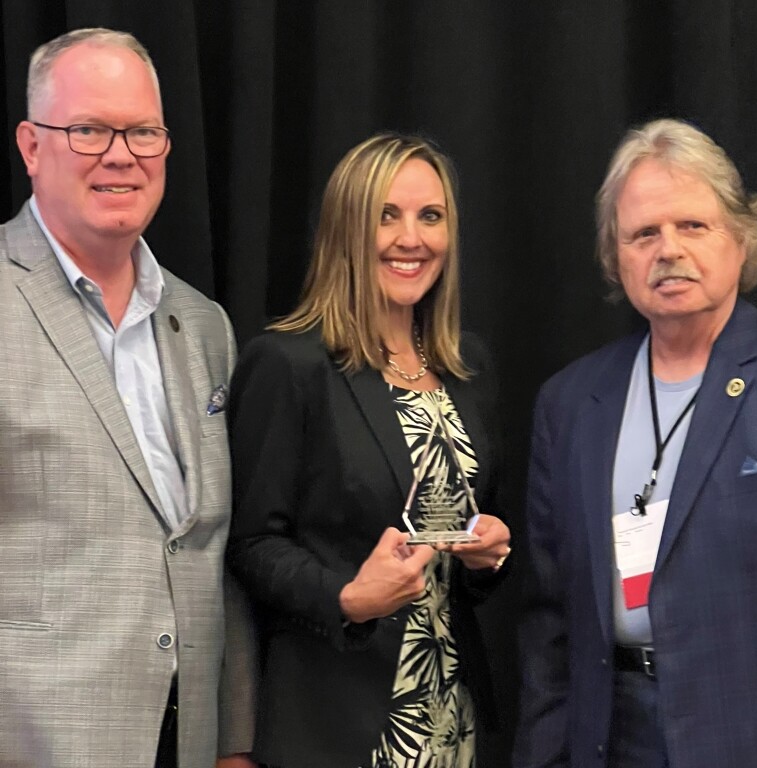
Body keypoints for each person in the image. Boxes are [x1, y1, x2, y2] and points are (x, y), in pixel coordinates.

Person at [0, 28, 256, 768]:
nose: (121, 154)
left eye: (143, 130)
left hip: (188, 739)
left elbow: (216, 548)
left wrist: (233, 741)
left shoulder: (205, 326)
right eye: (89, 129)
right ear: (31, 145)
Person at [227, 133, 511, 768]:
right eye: (388, 214)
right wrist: (346, 597)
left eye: (430, 216)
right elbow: (249, 544)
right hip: (339, 728)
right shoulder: (288, 363)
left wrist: (488, 557)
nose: (412, 238)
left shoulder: (468, 368)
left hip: (452, 718)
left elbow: (467, 536)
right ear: (346, 228)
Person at [512, 118, 757, 768]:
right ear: (615, 256)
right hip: (607, 735)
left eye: (692, 226)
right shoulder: (569, 404)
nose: (668, 250)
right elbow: (548, 622)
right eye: (643, 233)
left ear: (743, 239)